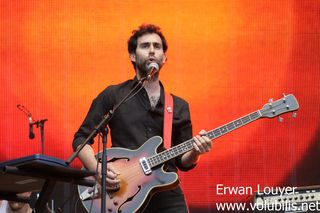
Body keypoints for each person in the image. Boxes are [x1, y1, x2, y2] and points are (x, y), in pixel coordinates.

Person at [73, 24, 212, 212]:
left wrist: (196, 151)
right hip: (123, 192)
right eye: (145, 46)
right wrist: (97, 170)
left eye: (157, 46)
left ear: (164, 57)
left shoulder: (178, 106)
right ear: (132, 55)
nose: (152, 50)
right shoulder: (114, 95)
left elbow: (183, 162)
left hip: (166, 190)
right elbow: (81, 139)